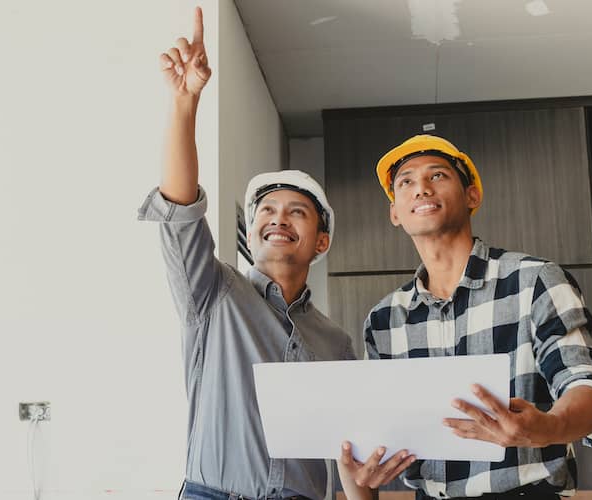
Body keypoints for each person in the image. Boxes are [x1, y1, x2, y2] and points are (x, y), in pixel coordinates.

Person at [139, 8, 358, 500]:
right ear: (254, 229)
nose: (278, 218)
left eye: (297, 212)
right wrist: (184, 103)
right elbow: (179, 209)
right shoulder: (213, 293)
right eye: (267, 209)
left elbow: (345, 449)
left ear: (320, 241)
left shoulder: (336, 342)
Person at [337, 135, 592, 500]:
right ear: (395, 212)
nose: (420, 188)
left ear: (472, 196)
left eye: (437, 175)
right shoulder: (384, 320)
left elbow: (589, 389)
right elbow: (376, 439)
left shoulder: (534, 280)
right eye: (405, 182)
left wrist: (546, 427)